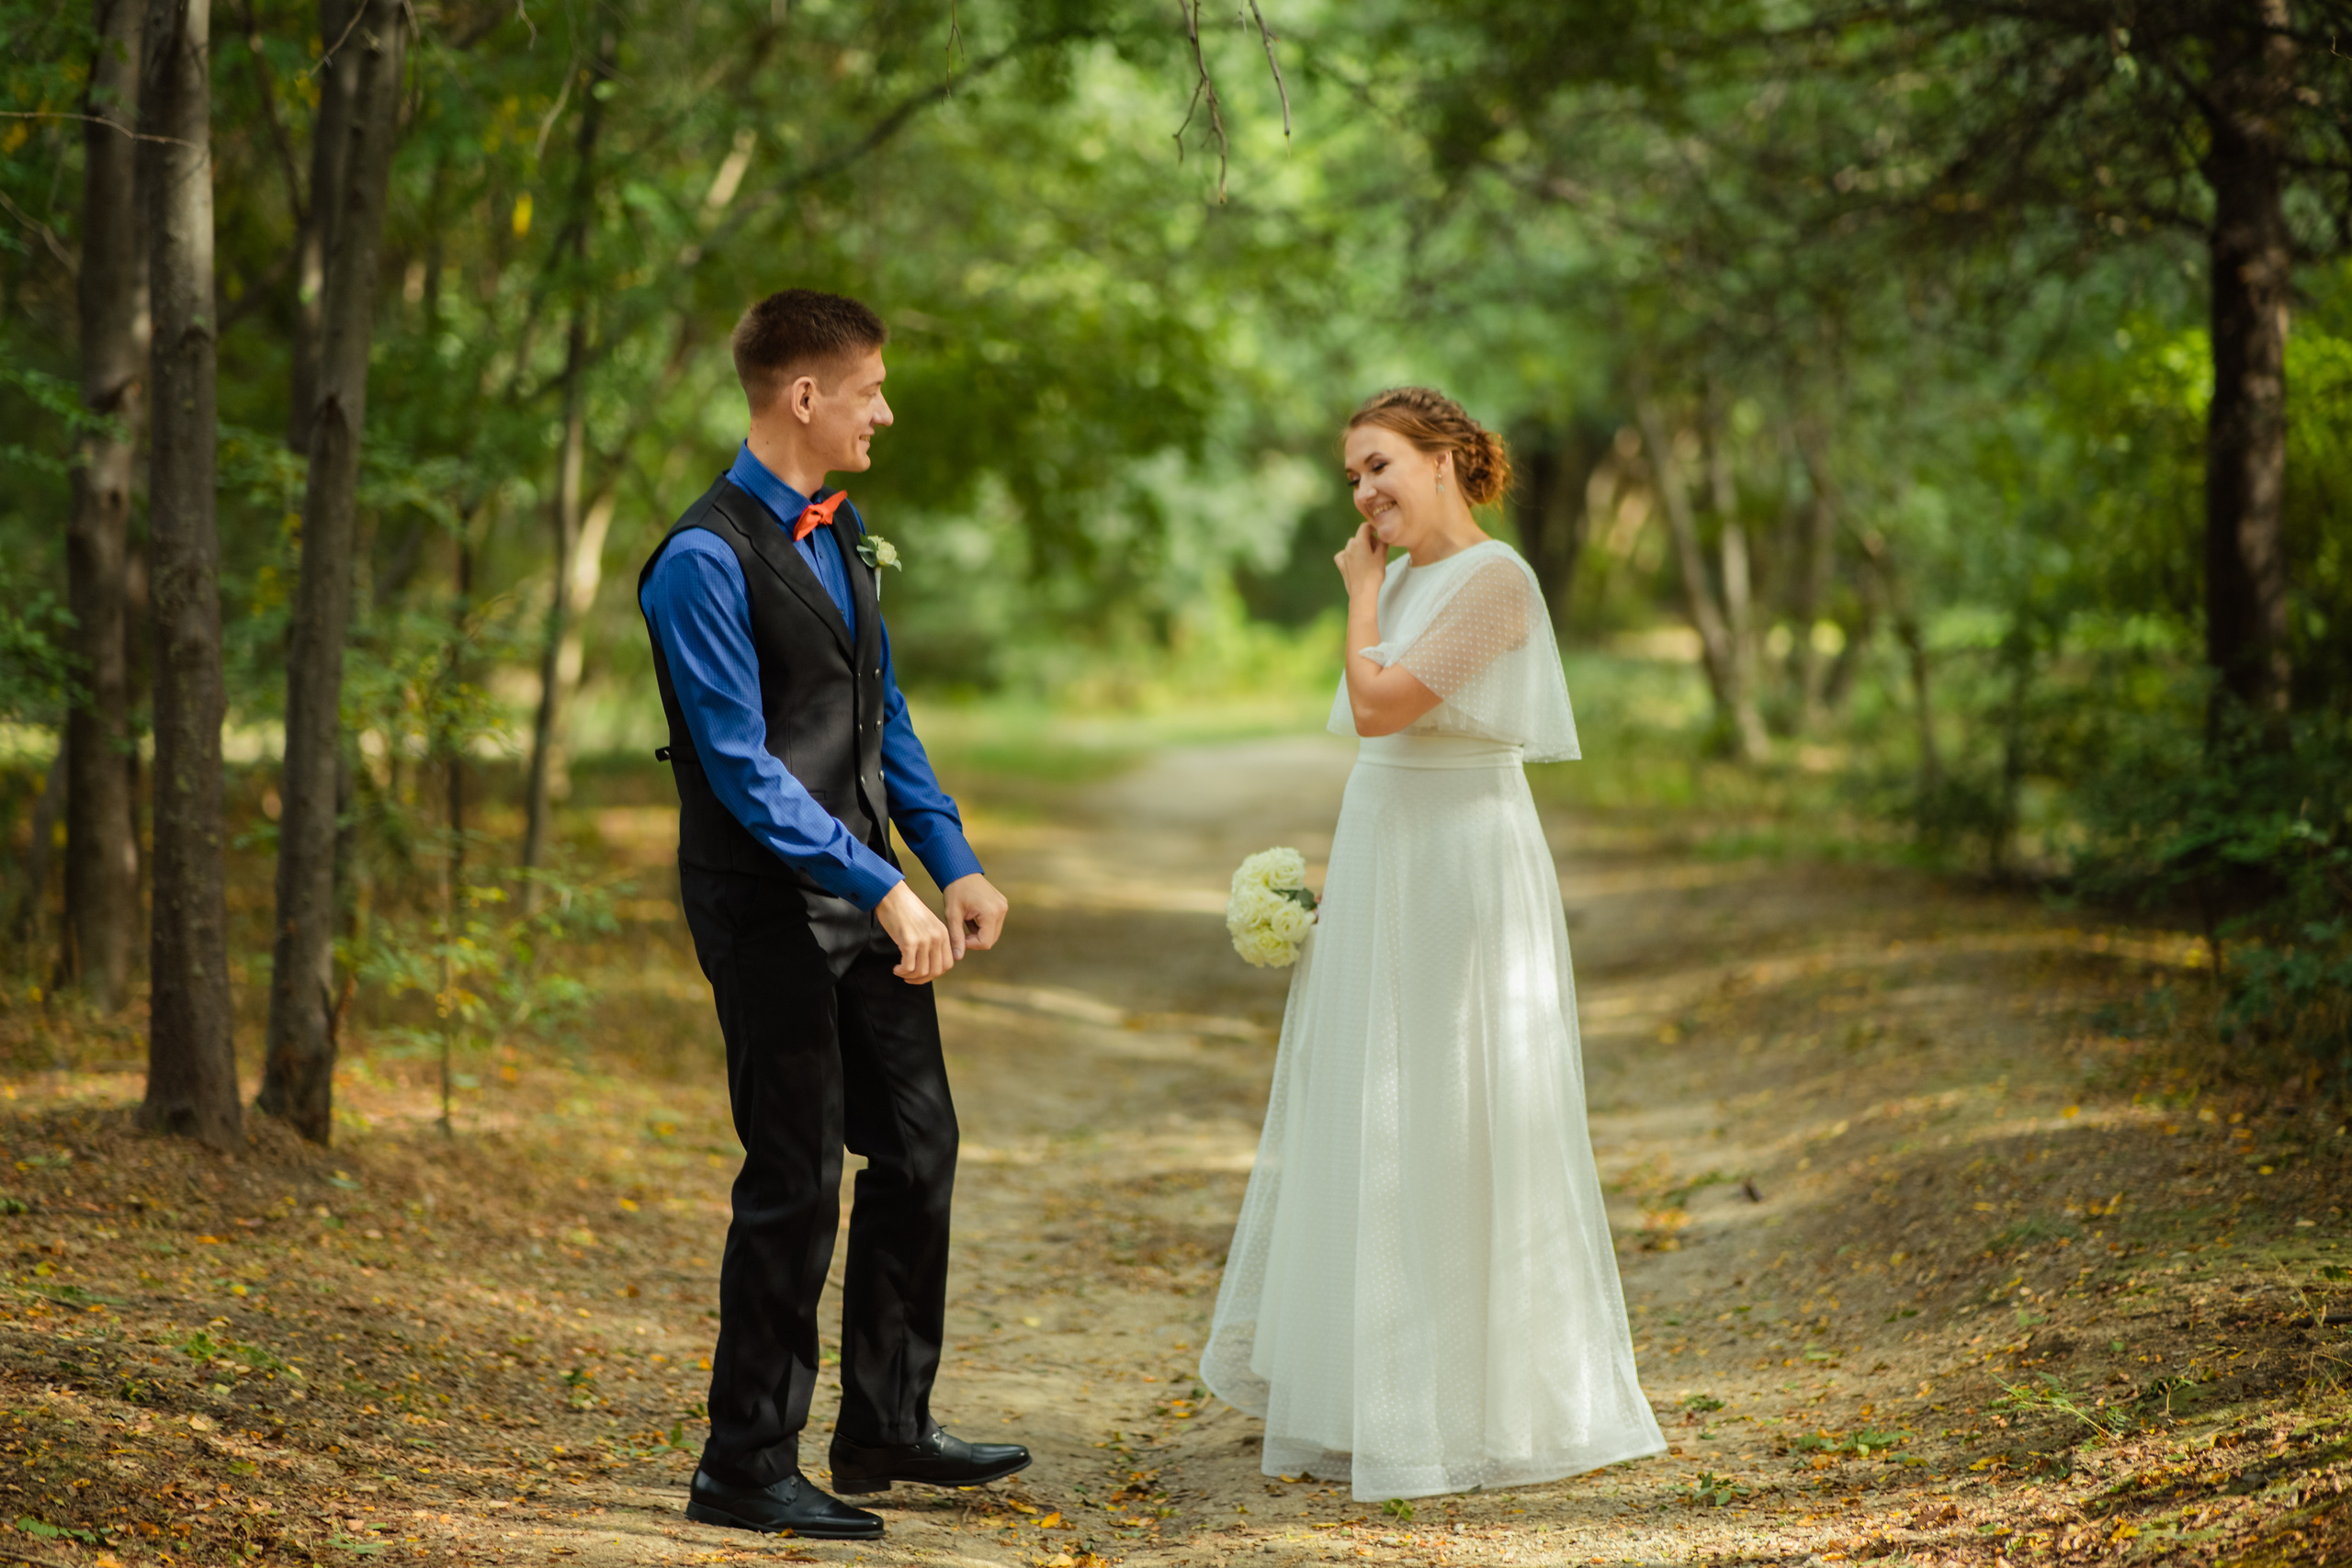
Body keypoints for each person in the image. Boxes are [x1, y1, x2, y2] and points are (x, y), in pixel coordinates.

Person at [1199, 387, 1667, 1501]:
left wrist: (1359, 595)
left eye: (1378, 466)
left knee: (1462, 1101)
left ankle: (1480, 1403)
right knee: (1378, 1102)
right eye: (1352, 477)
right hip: (1384, 844)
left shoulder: (1496, 582)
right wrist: (1377, 587)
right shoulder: (1404, 575)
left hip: (1460, 860)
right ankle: (1373, 1393)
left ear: (1447, 457)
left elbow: (1381, 704)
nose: (1363, 494)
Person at [638, 288, 1030, 1540]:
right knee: (797, 1175)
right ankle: (744, 1461)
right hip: (765, 907)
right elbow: (743, 768)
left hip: (870, 892)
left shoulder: (843, 525)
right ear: (804, 395)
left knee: (918, 1146)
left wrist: (949, 858)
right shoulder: (700, 559)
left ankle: (884, 1424)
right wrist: (883, 882)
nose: (885, 409)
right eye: (869, 388)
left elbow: (883, 714)